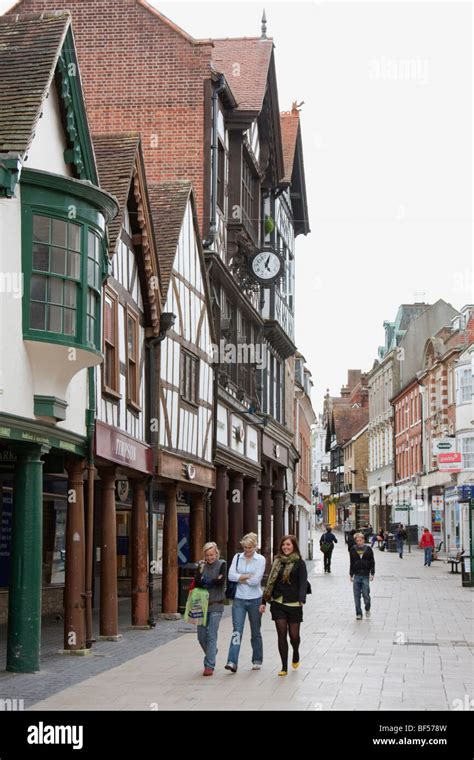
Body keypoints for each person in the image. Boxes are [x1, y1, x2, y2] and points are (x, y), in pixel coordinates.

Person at [260, 535, 308, 676]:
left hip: (294, 603)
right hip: (278, 602)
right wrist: (264, 601)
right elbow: (270, 581)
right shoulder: (277, 562)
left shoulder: (300, 563)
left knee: (294, 636)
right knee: (281, 635)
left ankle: (296, 651)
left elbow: (303, 582)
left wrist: (302, 599)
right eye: (283, 545)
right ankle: (284, 667)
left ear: (294, 546)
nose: (285, 547)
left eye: (288, 545)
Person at [225, 532, 266, 673]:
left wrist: (240, 578)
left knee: (255, 631)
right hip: (239, 599)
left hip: (255, 599)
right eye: (245, 547)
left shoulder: (260, 559)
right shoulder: (237, 557)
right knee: (237, 631)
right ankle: (232, 661)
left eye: (250, 547)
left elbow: (256, 581)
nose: (247, 550)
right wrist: (246, 576)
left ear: (255, 546)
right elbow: (230, 576)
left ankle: (257, 659)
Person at [193, 542, 226, 676]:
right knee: (201, 637)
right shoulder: (201, 565)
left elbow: (220, 583)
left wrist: (205, 581)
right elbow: (196, 582)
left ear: (216, 553)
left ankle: (209, 665)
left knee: (211, 635)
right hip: (202, 605)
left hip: (216, 604)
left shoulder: (222, 564)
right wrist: (210, 580)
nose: (209, 558)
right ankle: (213, 651)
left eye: (212, 555)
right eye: (207, 555)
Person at [349, 531, 375, 620]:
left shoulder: (368, 549)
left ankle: (367, 608)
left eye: (360, 540)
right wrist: (351, 574)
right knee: (356, 596)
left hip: (365, 575)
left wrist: (372, 573)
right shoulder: (353, 549)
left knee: (366, 595)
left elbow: (372, 562)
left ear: (363, 540)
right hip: (356, 575)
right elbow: (351, 562)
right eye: (357, 540)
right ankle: (358, 613)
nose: (359, 542)